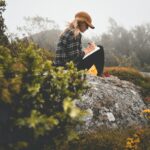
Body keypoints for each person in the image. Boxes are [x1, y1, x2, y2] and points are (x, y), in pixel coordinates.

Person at [53, 11, 105, 77]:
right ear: (82, 22)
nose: (87, 28)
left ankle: (99, 74)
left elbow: (72, 55)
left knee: (97, 48)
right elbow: (75, 58)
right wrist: (88, 50)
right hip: (68, 68)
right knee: (100, 49)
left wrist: (88, 50)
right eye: (87, 25)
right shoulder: (74, 33)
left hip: (62, 67)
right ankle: (99, 75)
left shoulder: (69, 31)